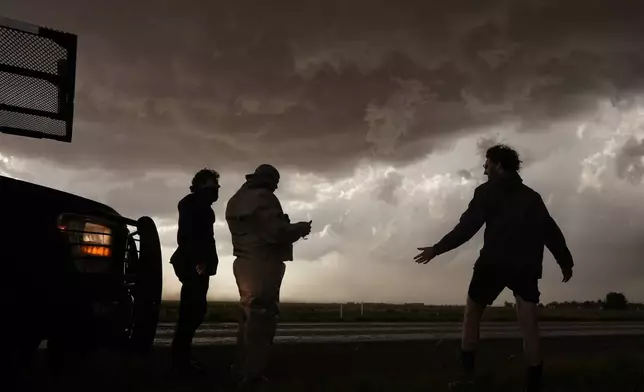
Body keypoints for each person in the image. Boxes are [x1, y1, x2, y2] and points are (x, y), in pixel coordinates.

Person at [413, 144, 573, 392]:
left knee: (471, 314)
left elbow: (466, 229)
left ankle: (467, 377)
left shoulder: (487, 192)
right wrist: (565, 262)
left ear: (499, 166)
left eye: (487, 165)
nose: (484, 170)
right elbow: (550, 232)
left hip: (493, 264)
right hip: (526, 267)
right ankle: (534, 385)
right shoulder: (532, 197)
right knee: (529, 325)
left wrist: (436, 249)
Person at [225, 164, 312, 389]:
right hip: (262, 263)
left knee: (247, 319)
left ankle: (241, 368)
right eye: (275, 181)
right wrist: (300, 228)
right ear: (269, 180)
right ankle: (253, 375)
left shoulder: (237, 198)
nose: (276, 186)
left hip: (243, 261)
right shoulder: (264, 198)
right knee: (261, 320)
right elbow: (276, 233)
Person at [170, 168, 221, 378]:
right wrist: (199, 261)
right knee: (191, 312)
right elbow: (188, 237)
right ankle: (180, 362)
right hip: (193, 264)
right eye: (212, 186)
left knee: (194, 312)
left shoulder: (201, 206)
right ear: (200, 187)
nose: (216, 191)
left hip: (196, 264)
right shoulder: (193, 205)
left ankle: (181, 359)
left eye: (217, 187)